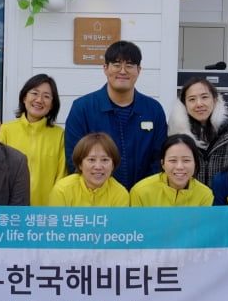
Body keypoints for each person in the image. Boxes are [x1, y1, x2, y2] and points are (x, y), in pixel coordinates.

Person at [64, 41, 167, 190]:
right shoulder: (82, 108)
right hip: (96, 199)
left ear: (139, 70)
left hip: (144, 200)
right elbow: (74, 159)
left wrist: (143, 192)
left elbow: (159, 159)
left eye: (130, 65)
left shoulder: (153, 110)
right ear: (105, 68)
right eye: (117, 64)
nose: (123, 71)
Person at [0, 74, 66, 206]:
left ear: (52, 104)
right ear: (24, 97)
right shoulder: (5, 130)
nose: (39, 100)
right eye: (34, 93)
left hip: (46, 212)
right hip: (11, 209)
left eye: (46, 96)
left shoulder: (60, 135)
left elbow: (62, 178)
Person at [168, 76, 228, 186]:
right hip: (189, 200)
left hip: (225, 200)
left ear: (215, 100)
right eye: (192, 99)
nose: (199, 104)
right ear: (184, 105)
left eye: (204, 97)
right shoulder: (175, 134)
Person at [130, 134, 215, 207]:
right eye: (173, 160)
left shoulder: (205, 195)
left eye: (186, 160)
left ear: (195, 163)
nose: (179, 167)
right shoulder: (140, 191)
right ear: (162, 163)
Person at [48, 132, 129, 207]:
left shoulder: (120, 194)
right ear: (80, 164)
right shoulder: (62, 190)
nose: (98, 167)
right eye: (91, 160)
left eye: (105, 160)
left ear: (113, 165)